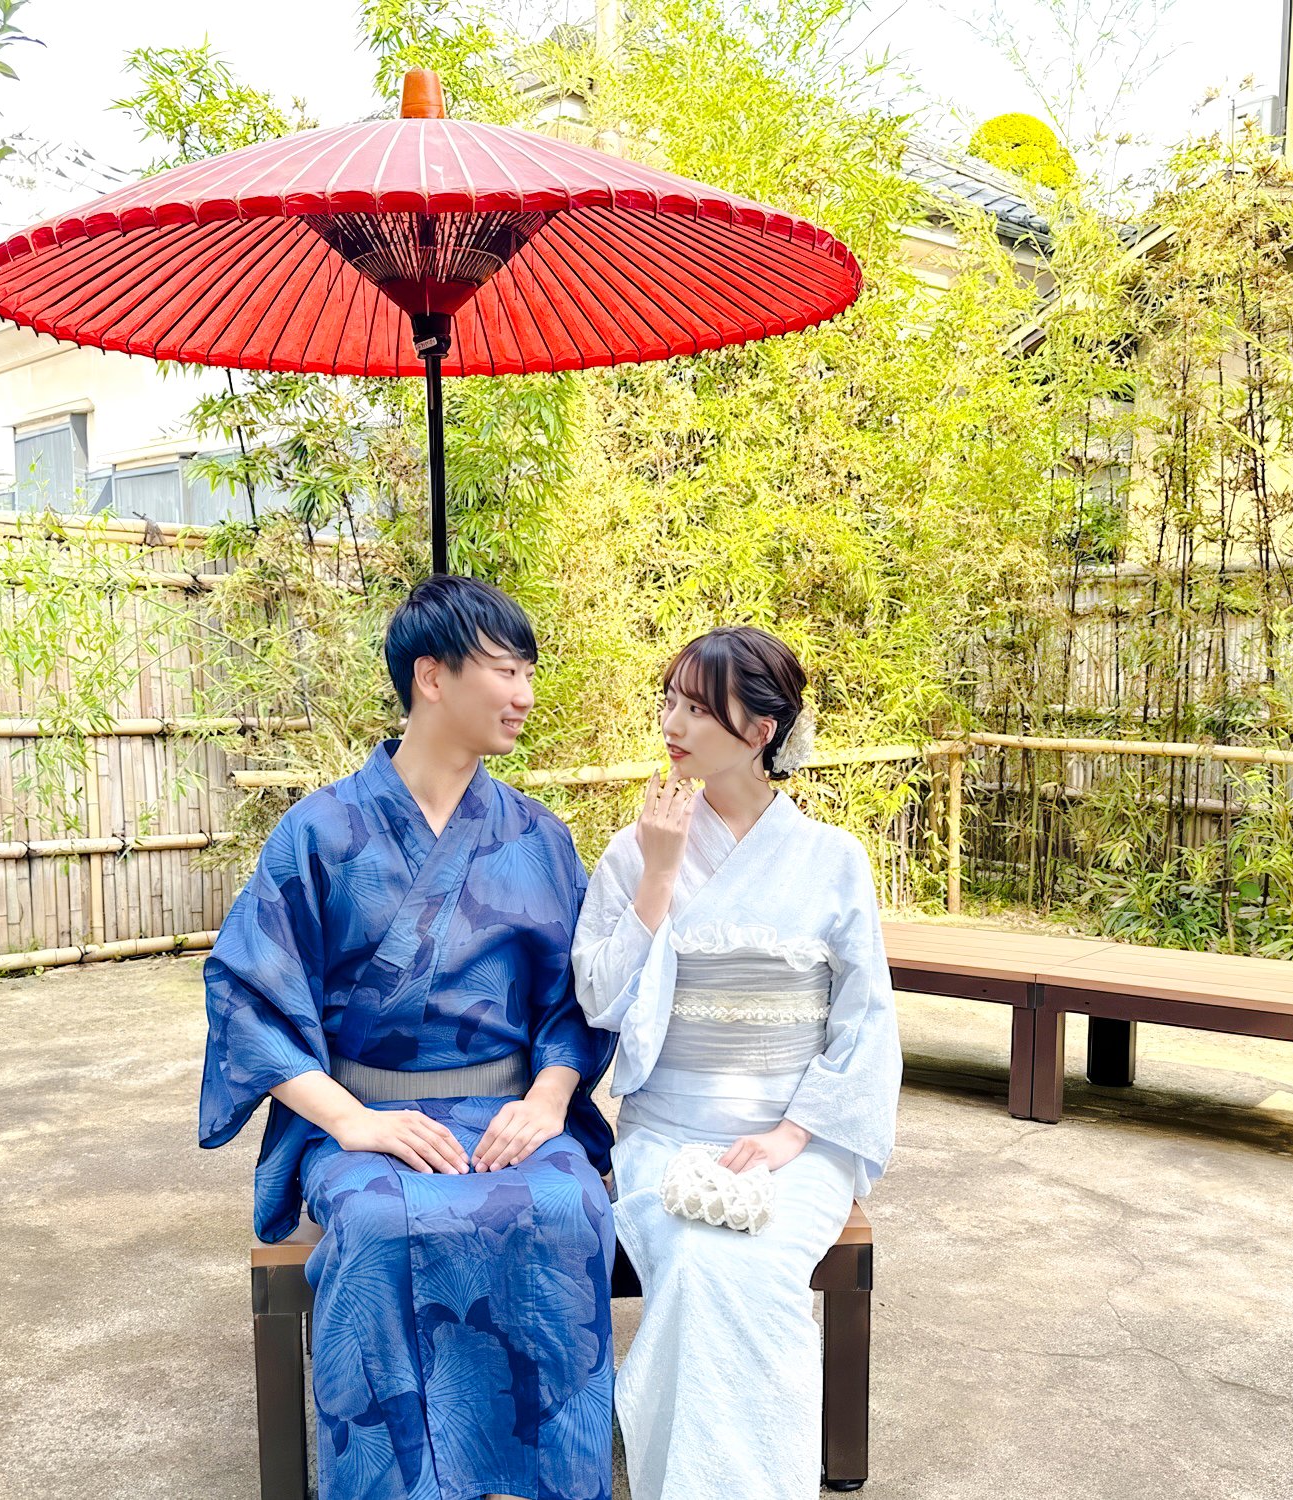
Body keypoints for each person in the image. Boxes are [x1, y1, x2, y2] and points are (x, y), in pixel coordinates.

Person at [200, 575, 616, 1500]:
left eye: (529, 673)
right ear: (432, 676)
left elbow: (578, 999)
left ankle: (546, 1478)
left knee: (570, 1207)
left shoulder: (538, 837)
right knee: (380, 1222)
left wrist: (550, 1099)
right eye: (506, 671)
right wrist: (350, 1122)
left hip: (508, 1110)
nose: (525, 695)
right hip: (363, 1115)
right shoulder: (318, 831)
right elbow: (246, 994)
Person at [571, 625, 903, 1500]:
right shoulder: (633, 851)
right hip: (669, 1131)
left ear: (761, 730)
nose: (671, 724)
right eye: (668, 702)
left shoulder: (833, 860)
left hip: (796, 1139)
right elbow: (600, 1002)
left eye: (696, 708)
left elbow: (866, 1021)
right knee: (693, 1263)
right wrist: (659, 876)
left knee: (749, 1266)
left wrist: (795, 1133)